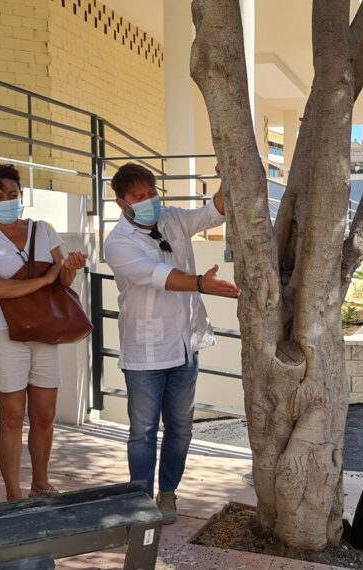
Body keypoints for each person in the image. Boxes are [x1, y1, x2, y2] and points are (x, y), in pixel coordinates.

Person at [103, 163, 240, 525]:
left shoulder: (172, 219)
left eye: (152, 192)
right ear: (122, 203)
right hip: (144, 353)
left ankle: (167, 493)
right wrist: (200, 284)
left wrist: (230, 172)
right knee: (143, 432)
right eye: (140, 196)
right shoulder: (118, 242)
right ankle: (140, 499)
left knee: (181, 428)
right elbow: (157, 275)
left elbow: (215, 212)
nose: (150, 200)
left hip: (183, 346)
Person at [0, 164, 87, 501]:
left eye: (13, 195)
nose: (7, 201)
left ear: (22, 196)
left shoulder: (44, 230)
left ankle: (41, 484)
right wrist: (45, 280)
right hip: (4, 334)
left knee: (45, 415)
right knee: (13, 416)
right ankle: (13, 495)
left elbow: (61, 280)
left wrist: (69, 270)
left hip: (44, 330)